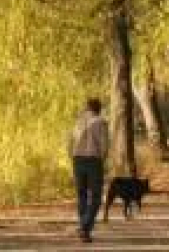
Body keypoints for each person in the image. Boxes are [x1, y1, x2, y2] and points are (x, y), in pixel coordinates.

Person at [68, 97, 111, 242]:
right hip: (93, 161)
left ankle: (83, 227)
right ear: (99, 108)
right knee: (96, 197)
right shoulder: (101, 122)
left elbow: (70, 143)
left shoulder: (78, 122)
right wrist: (102, 159)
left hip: (77, 160)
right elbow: (105, 145)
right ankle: (84, 227)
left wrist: (73, 158)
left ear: (87, 108)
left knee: (82, 195)